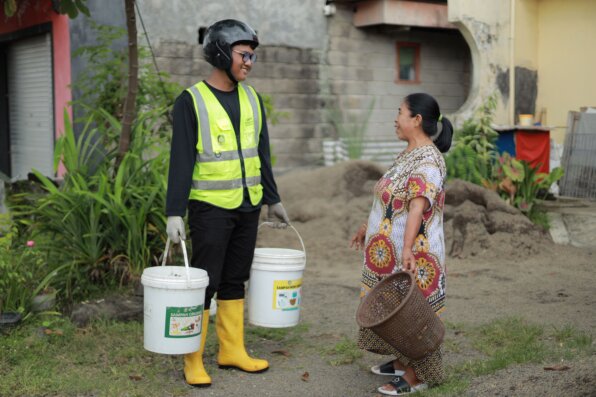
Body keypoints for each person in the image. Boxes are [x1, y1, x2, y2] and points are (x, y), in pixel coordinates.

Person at [165, 19, 290, 388]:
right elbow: (182, 160)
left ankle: (232, 350)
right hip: (210, 208)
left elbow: (262, 153)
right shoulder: (192, 100)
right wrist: (175, 210)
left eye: (252, 55)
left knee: (236, 278)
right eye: (244, 54)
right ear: (221, 52)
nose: (250, 62)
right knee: (206, 282)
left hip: (248, 204)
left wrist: (272, 198)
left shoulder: (252, 98)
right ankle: (192, 358)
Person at [350, 93, 453, 395]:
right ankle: (402, 360)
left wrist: (406, 250)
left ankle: (417, 374)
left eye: (400, 112)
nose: (395, 118)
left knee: (415, 314)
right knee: (399, 312)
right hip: (394, 251)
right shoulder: (410, 153)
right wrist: (365, 229)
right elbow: (390, 196)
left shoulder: (429, 160)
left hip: (416, 255)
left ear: (416, 120)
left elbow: (417, 209)